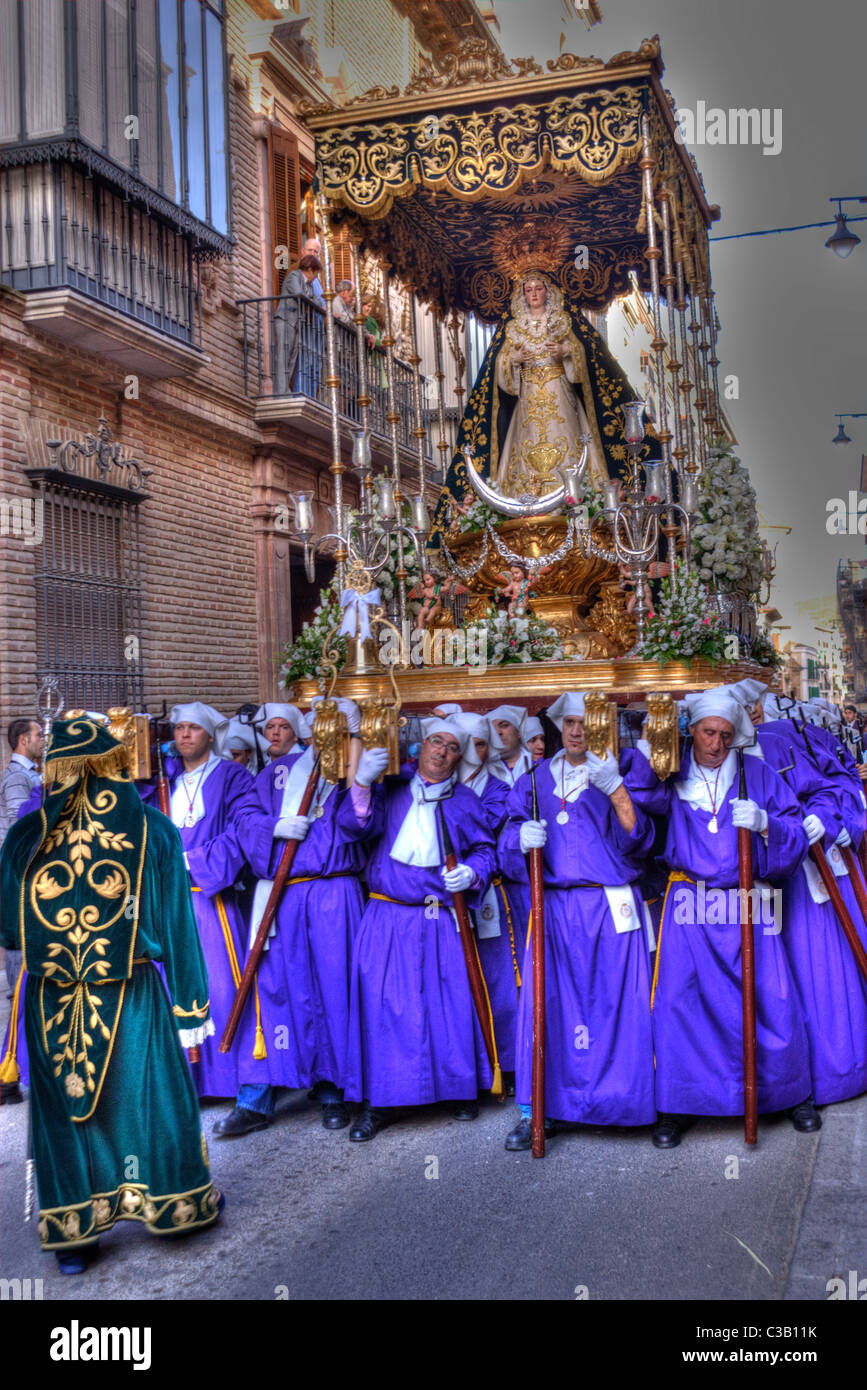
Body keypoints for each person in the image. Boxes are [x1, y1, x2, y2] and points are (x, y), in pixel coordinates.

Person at [0, 716, 221, 1272]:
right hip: (133, 991)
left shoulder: (25, 835)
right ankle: (172, 1210)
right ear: (115, 764)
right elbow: (177, 925)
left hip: (50, 995)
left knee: (64, 1114)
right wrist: (192, 1004)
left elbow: (6, 928)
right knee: (152, 1101)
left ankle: (74, 1236)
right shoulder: (153, 828)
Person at [626, 689, 812, 1148]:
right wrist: (653, 747)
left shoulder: (758, 773)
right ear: (692, 731)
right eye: (709, 733)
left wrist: (767, 824)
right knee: (679, 1003)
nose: (716, 744)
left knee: (770, 996)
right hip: (689, 902)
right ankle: (677, 1103)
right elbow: (641, 798)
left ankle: (788, 1095)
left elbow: (795, 834)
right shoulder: (673, 770)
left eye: (726, 736)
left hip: (748, 899)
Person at [500, 692, 657, 1149]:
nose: (576, 730)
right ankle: (540, 1109)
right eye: (569, 722)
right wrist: (518, 839)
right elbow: (507, 843)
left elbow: (642, 840)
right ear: (558, 726)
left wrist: (617, 790)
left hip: (608, 905)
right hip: (552, 908)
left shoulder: (620, 770)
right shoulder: (532, 782)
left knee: (615, 1005)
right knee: (548, 1006)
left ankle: (622, 1103)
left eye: (585, 722)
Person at [337, 721, 498, 1140]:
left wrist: (471, 872)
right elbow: (354, 829)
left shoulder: (464, 801)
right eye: (435, 742)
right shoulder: (389, 789)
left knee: (448, 1004)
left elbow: (484, 850)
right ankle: (381, 1101)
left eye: (451, 747)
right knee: (385, 1008)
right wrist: (361, 782)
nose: (441, 752)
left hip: (440, 917)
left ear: (458, 759)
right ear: (420, 746)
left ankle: (456, 1089)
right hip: (388, 916)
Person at [213, 699, 364, 1138]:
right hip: (284, 894)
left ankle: (334, 1090)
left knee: (334, 991)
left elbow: (363, 821)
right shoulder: (273, 774)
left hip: (333, 890)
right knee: (275, 991)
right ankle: (255, 1098)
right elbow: (244, 816)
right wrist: (274, 827)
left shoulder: (345, 769)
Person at [152, 703, 256, 1101]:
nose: (184, 735)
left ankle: (228, 1081)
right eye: (178, 729)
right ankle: (185, 1087)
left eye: (193, 729)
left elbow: (239, 833)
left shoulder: (232, 776)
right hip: (170, 905)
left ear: (211, 735)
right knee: (171, 988)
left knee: (221, 986)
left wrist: (191, 861)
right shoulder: (166, 779)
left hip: (209, 900)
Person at [1, 718, 44, 1005]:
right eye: (38, 735)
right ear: (23, 740)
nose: (43, 740)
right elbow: (21, 819)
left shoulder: (31, 773)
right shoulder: (18, 776)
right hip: (18, 864)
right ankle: (19, 991)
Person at [273, 252, 323, 396]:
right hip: (285, 319)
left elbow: (318, 301)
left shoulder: (309, 286)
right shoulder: (293, 277)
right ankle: (281, 392)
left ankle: (284, 390)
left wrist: (314, 301)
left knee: (291, 357)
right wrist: (312, 301)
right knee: (283, 356)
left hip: (296, 324)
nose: (316, 277)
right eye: (316, 273)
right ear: (310, 270)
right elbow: (299, 294)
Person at [487, 705, 534, 785]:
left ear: (519, 732)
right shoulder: (484, 771)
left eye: (504, 725)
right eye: (492, 729)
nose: (498, 732)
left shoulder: (536, 765)